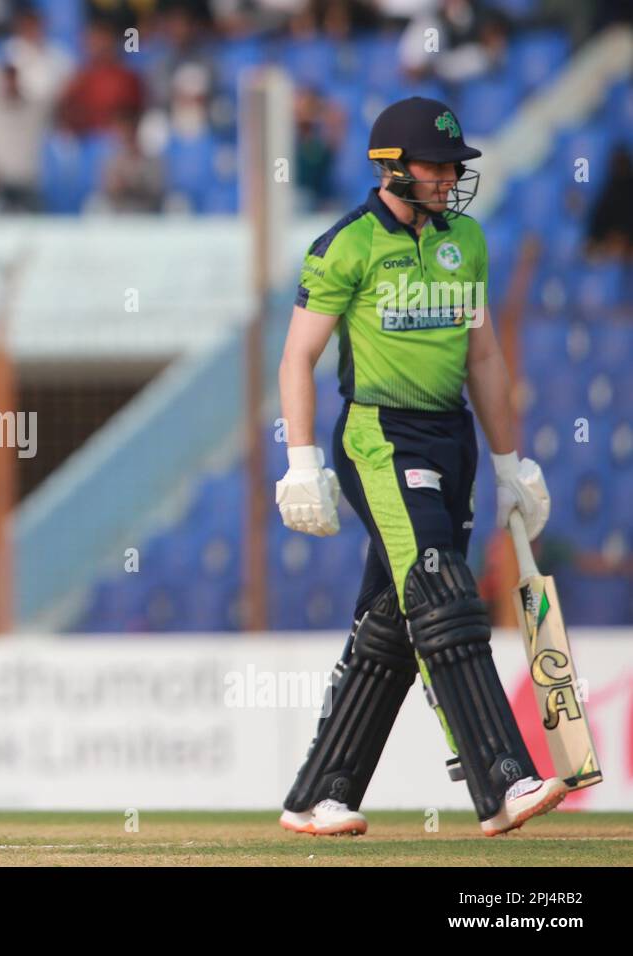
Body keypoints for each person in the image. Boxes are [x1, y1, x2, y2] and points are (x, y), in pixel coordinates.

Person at [274, 97, 566, 838]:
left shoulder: (464, 239)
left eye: (452, 166)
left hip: (452, 439)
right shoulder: (346, 245)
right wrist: (302, 461)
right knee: (439, 585)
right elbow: (298, 357)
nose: (447, 178)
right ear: (391, 168)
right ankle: (503, 777)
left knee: (395, 619)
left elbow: (485, 356)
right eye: (435, 166)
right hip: (380, 437)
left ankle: (319, 793)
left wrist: (510, 464)